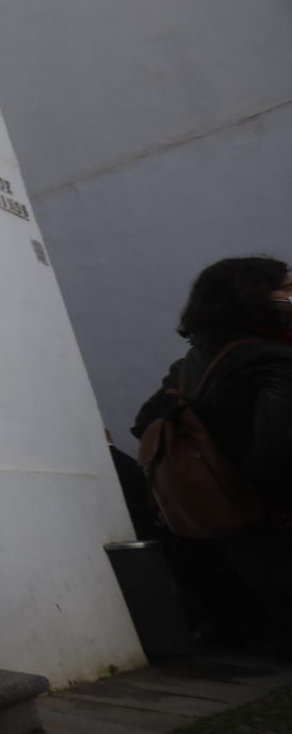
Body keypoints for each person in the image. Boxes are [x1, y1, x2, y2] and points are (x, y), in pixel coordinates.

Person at [132, 256, 292, 653]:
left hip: (236, 516)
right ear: (254, 297)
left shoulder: (189, 364)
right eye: (286, 287)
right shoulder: (272, 358)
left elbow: (146, 422)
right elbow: (278, 447)